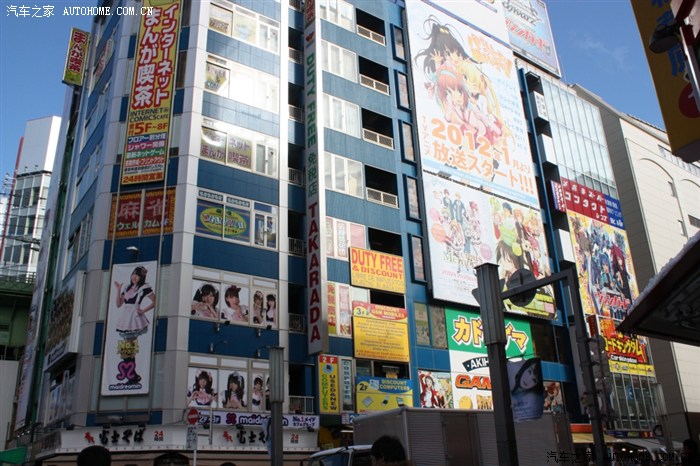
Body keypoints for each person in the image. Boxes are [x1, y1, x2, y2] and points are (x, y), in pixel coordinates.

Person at [113, 265, 156, 385]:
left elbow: (155, 301)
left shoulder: (144, 288)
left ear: (142, 277)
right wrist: (118, 290)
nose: (134, 277)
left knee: (128, 348)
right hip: (126, 317)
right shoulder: (127, 287)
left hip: (134, 318)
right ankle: (133, 376)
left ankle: (132, 377)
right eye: (133, 274)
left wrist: (143, 310)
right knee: (126, 349)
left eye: (138, 275)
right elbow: (118, 304)